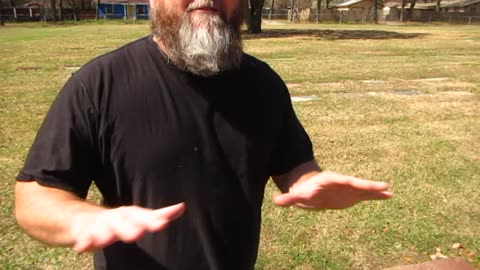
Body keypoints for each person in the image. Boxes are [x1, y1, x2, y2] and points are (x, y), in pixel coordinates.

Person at [14, 0, 393, 269]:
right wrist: (84, 219)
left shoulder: (264, 84)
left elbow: (293, 166)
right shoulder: (99, 84)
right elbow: (35, 196)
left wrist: (311, 181)